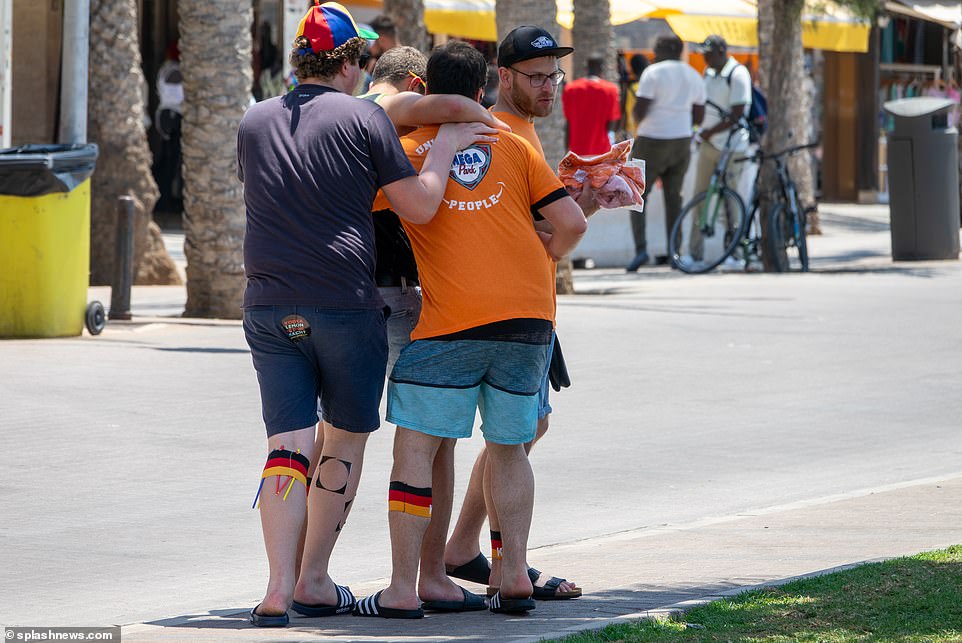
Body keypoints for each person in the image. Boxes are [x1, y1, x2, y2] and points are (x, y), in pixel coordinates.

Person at [236, 2, 495, 628]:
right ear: (350, 62)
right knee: (343, 440)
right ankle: (315, 580)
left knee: (286, 446)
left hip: (269, 305)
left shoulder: (253, 120)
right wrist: (447, 148)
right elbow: (421, 207)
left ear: (300, 59)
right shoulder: (362, 118)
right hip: (344, 304)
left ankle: (276, 591)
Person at [353, 40, 587, 619]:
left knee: (415, 449)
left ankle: (404, 589)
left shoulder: (405, 150)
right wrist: (545, 254)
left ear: (426, 92)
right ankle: (512, 578)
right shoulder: (512, 143)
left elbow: (359, 209)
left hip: (450, 323)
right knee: (510, 449)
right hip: (530, 319)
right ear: (483, 90)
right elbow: (572, 222)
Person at [442, 25, 589, 602]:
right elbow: (531, 230)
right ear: (503, 77)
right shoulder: (499, 132)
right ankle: (506, 568)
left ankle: (465, 547)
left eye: (556, 76)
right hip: (503, 311)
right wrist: (551, 238)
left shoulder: (522, 131)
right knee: (514, 434)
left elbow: (542, 224)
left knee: (525, 429)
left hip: (529, 309)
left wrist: (586, 199)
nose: (551, 87)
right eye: (537, 77)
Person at [625, 35, 705, 272]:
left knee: (636, 195)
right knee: (674, 198)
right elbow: (699, 114)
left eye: (656, 47)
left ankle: (641, 250)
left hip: (652, 139)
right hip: (681, 142)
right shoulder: (693, 74)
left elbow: (640, 109)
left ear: (666, 48)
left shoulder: (653, 72)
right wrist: (688, 130)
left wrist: (638, 125)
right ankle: (674, 252)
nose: (653, 52)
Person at [561, 54, 621, 156]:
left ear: (586, 68)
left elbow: (568, 123)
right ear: (601, 68)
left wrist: (566, 149)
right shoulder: (611, 90)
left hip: (577, 152)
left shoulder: (570, 89)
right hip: (602, 151)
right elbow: (611, 124)